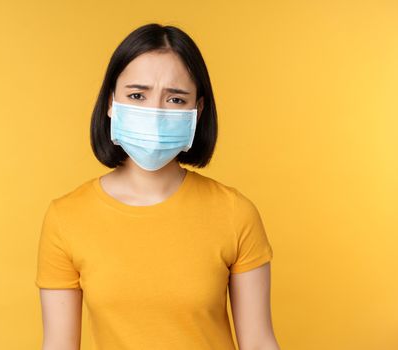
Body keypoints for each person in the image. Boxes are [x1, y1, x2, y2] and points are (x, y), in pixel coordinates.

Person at [35, 23, 280, 350]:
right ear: (111, 103)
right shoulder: (66, 218)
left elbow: (259, 342)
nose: (154, 112)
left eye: (176, 99)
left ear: (198, 110)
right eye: (137, 95)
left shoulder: (235, 213)